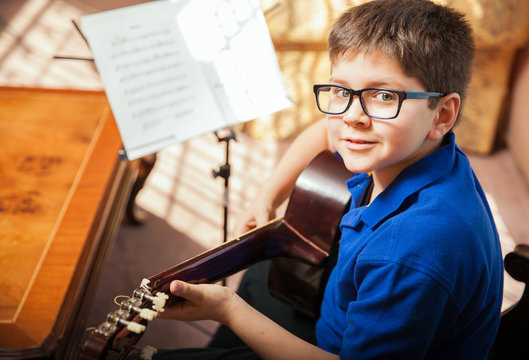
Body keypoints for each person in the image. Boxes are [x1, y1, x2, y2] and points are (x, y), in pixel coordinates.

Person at [153, 0, 504, 359]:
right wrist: (268, 195)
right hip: (339, 303)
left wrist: (227, 311)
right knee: (266, 273)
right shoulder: (419, 148)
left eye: (384, 96)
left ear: (442, 114)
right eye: (341, 91)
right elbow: (326, 131)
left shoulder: (409, 253)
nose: (352, 116)